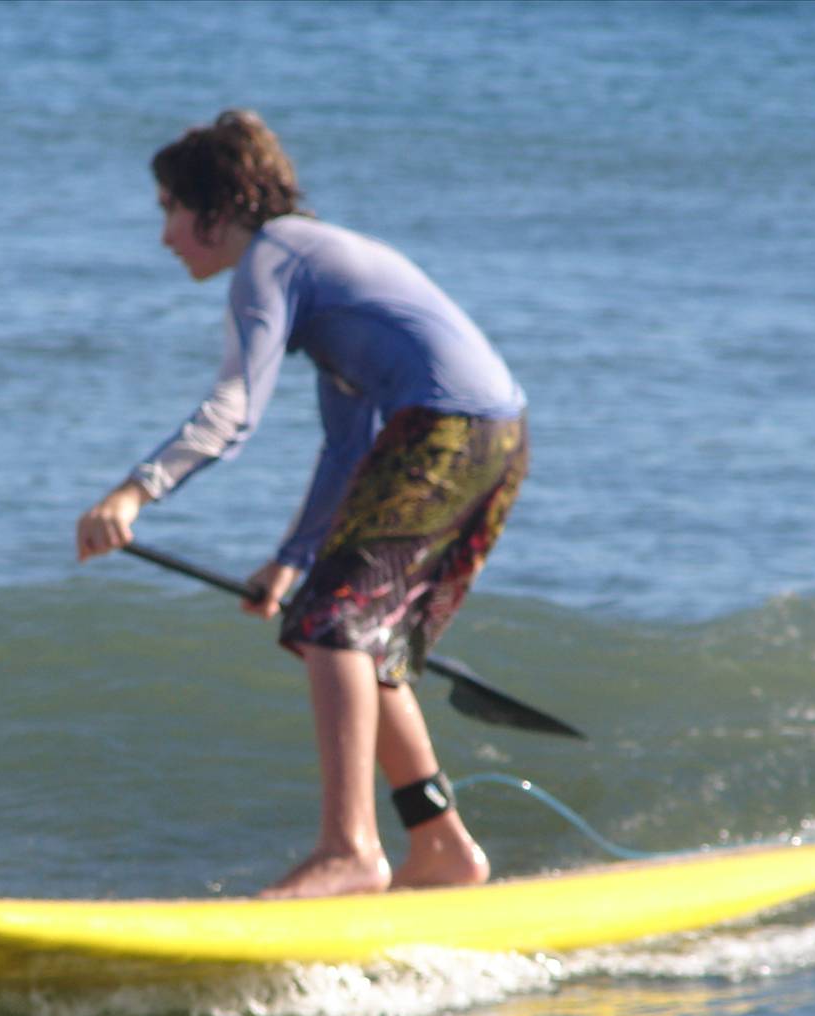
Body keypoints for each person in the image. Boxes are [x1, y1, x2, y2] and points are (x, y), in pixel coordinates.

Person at [76, 110, 529, 900]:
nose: (165, 235)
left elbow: (233, 412)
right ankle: (442, 846)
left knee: (336, 627)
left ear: (218, 206)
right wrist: (290, 563)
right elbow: (347, 450)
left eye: (171, 210)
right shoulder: (318, 270)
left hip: (448, 431)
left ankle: (350, 849)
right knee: (359, 638)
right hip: (499, 438)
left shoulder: (274, 258)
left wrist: (134, 490)